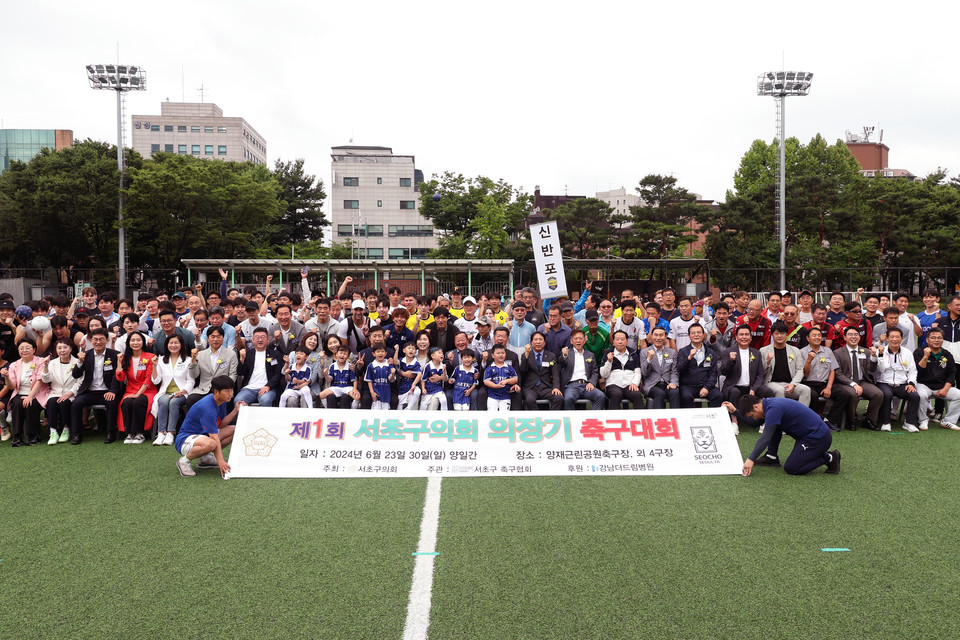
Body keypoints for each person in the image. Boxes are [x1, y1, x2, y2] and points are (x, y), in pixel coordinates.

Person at [731, 396, 841, 476]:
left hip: (818, 438)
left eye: (753, 415)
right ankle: (771, 457)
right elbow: (754, 424)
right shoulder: (768, 405)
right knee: (774, 426)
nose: (754, 418)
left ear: (756, 407)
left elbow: (765, 438)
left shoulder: (774, 409)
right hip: (806, 437)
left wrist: (751, 459)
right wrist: (735, 411)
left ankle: (829, 458)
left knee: (792, 468)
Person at [175, 376, 243, 478]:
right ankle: (184, 461)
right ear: (216, 392)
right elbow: (214, 437)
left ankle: (205, 459)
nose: (231, 394)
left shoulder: (222, 401)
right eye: (227, 391)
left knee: (235, 430)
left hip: (203, 437)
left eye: (232, 390)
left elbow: (220, 425)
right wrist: (221, 461)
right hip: (184, 440)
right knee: (211, 443)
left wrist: (235, 411)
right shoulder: (208, 407)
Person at [70, 328, 122, 444]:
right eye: (95, 339)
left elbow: (116, 376)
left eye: (101, 339)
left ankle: (110, 432)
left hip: (107, 390)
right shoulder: (85, 355)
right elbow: (75, 375)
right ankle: (76, 434)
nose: (98, 342)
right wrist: (79, 361)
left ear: (107, 340)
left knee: (111, 402)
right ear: (91, 340)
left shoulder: (114, 355)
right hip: (89, 391)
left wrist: (113, 391)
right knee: (76, 403)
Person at [799, 326, 853, 432]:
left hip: (824, 383)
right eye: (814, 335)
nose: (817, 337)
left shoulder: (828, 351)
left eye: (819, 335)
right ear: (808, 338)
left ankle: (829, 420)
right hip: (808, 383)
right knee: (812, 395)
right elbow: (804, 374)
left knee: (845, 394)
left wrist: (828, 387)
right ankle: (816, 421)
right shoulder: (802, 352)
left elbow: (832, 370)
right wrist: (809, 361)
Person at [833, 325, 884, 431]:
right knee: (853, 394)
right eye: (850, 334)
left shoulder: (865, 351)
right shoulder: (837, 353)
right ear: (845, 337)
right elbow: (838, 374)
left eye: (856, 334)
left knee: (878, 394)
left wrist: (874, 357)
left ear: (860, 337)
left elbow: (871, 370)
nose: (853, 337)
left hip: (862, 381)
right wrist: (853, 384)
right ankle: (851, 421)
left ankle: (869, 420)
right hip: (846, 383)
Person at [873, 327, 921, 432]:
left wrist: (911, 383)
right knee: (887, 395)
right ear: (887, 338)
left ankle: (910, 422)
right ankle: (885, 422)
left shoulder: (907, 352)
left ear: (901, 338)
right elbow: (880, 370)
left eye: (897, 337)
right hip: (884, 382)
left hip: (902, 383)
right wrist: (880, 355)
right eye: (892, 337)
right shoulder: (881, 351)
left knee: (914, 395)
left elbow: (912, 370)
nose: (895, 339)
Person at [115, 331, 159, 444]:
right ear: (128, 343)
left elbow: (148, 379)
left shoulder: (150, 357)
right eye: (133, 340)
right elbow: (120, 378)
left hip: (148, 390)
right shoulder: (125, 358)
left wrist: (138, 393)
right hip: (131, 389)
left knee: (138, 402)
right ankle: (130, 433)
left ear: (143, 342)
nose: (136, 342)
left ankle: (140, 433)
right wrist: (119, 363)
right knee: (127, 403)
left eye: (138, 340)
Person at [151, 333, 194, 445]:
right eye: (171, 343)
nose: (173, 345)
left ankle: (170, 433)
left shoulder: (188, 360)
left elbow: (191, 381)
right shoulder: (160, 360)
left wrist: (182, 392)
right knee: (164, 401)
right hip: (166, 393)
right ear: (167, 345)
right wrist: (154, 366)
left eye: (176, 343)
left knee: (174, 402)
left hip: (181, 393)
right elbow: (156, 381)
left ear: (181, 345)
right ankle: (161, 433)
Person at [5, 339, 49, 446]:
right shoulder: (14, 365)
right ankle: (17, 436)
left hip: (37, 393)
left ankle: (33, 435)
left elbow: (40, 381)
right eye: (21, 348)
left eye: (28, 348)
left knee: (30, 404)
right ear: (18, 350)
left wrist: (30, 396)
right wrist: (6, 377)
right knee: (17, 403)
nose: (24, 350)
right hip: (19, 393)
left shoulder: (40, 361)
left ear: (34, 350)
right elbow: (12, 386)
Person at [760, 321, 811, 406]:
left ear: (787, 334)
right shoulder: (764, 350)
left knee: (806, 390)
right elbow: (760, 372)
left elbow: (799, 370)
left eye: (782, 333)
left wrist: (793, 384)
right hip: (771, 383)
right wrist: (767, 361)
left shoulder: (795, 350)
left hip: (789, 383)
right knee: (780, 390)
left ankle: (800, 417)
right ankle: (783, 416)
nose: (779, 336)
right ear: (772, 335)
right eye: (776, 333)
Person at [41, 337, 79, 445]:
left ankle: (66, 429)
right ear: (56, 350)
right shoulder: (52, 363)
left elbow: (80, 382)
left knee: (64, 403)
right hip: (55, 392)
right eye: (59, 348)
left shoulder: (77, 362)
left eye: (65, 347)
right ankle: (53, 432)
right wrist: (45, 367)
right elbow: (46, 379)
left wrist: (69, 393)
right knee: (52, 402)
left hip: (70, 392)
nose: (62, 350)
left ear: (71, 348)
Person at [677, 323, 723, 409]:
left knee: (718, 395)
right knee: (685, 397)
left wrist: (707, 387)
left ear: (703, 335)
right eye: (693, 333)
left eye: (699, 332)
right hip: (688, 386)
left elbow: (713, 373)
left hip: (705, 385)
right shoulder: (683, 351)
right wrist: (689, 358)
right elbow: (679, 368)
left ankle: (710, 421)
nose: (696, 335)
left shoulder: (710, 352)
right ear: (689, 336)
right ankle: (689, 422)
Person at [235, 327, 283, 408]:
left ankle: (264, 421)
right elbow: (240, 373)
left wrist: (268, 386)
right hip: (249, 388)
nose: (260, 340)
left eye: (263, 337)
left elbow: (278, 374)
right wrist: (242, 360)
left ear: (268, 339)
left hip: (268, 388)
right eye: (257, 337)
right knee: (238, 400)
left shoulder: (275, 354)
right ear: (253, 340)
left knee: (265, 400)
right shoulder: (248, 354)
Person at [601, 330, 644, 409]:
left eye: (622, 339)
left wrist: (635, 383)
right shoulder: (608, 354)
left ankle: (639, 419)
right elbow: (603, 374)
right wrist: (609, 362)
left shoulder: (633, 354)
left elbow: (638, 372)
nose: (620, 342)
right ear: (613, 341)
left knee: (637, 394)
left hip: (630, 385)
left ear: (627, 341)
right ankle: (614, 420)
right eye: (617, 339)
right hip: (613, 385)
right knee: (616, 394)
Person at [520, 332, 563, 411]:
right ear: (532, 342)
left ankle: (551, 419)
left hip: (545, 388)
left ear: (545, 342)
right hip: (530, 388)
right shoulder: (526, 355)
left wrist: (556, 387)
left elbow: (555, 373)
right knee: (530, 400)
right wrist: (526, 355)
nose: (538, 342)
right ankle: (537, 421)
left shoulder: (551, 356)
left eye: (540, 339)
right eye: (535, 340)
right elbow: (523, 370)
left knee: (559, 398)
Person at [640, 327, 679, 409]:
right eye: (656, 335)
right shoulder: (644, 352)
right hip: (652, 385)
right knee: (659, 393)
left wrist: (673, 383)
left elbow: (674, 371)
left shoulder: (672, 352)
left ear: (665, 336)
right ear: (651, 336)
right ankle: (658, 419)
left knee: (675, 392)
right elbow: (644, 373)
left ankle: (676, 419)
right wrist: (649, 359)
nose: (658, 338)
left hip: (667, 383)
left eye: (661, 335)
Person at [364, 344, 395, 410]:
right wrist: (372, 392)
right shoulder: (371, 365)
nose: (380, 353)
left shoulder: (389, 364)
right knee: (376, 413)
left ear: (386, 353)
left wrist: (392, 374)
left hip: (386, 394)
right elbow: (369, 380)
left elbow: (391, 379)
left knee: (385, 413)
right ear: (373, 354)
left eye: (382, 351)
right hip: (376, 393)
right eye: (378, 351)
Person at [396, 341, 423, 411]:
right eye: (409, 348)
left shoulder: (416, 363)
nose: (411, 350)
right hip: (402, 386)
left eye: (413, 349)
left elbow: (419, 374)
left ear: (415, 352)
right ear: (404, 350)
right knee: (400, 406)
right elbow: (395, 362)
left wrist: (413, 385)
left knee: (417, 391)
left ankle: (409, 408)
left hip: (411, 386)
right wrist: (396, 350)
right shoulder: (401, 360)